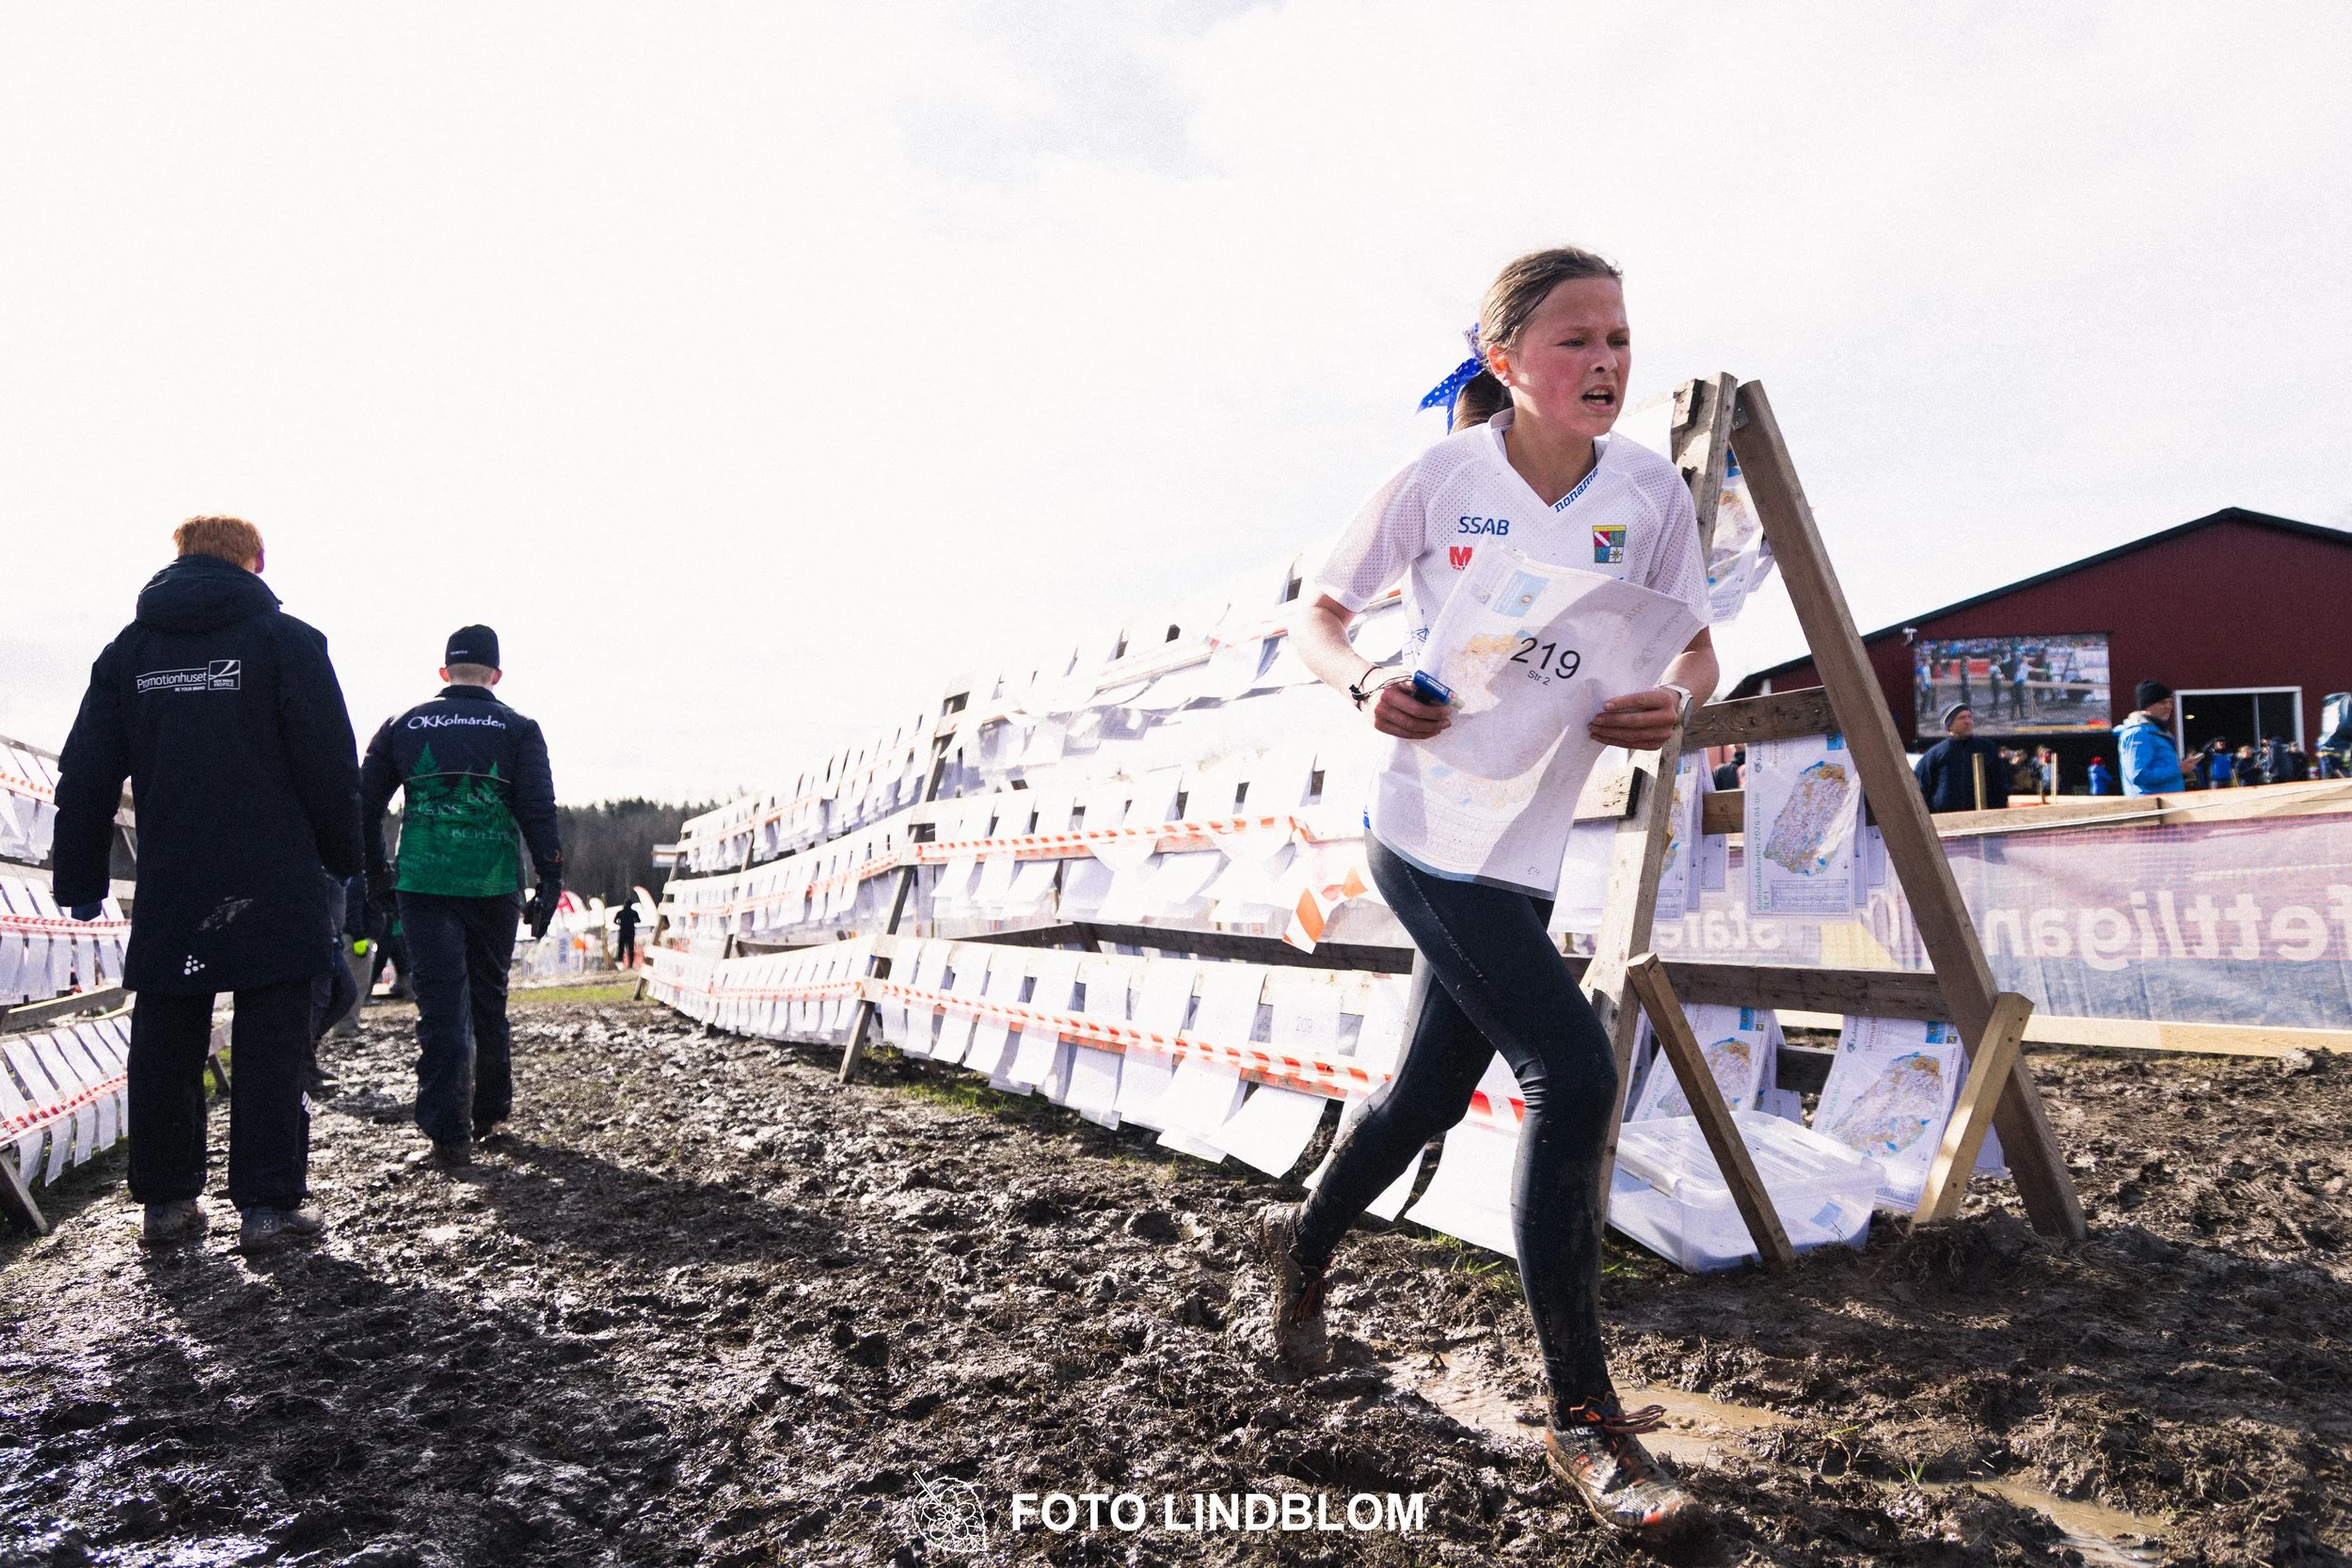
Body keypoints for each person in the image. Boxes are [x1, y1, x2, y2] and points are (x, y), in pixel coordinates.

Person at [1263, 247, 1719, 1544]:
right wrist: (1360, 682)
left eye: (1622, 337)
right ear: (1507, 359)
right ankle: (1585, 1417)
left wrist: (1677, 700)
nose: (1609, 361)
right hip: (1424, 825)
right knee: (1572, 1070)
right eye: (1577, 339)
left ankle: (1299, 1247)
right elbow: (1319, 610)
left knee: (1418, 1095)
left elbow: (1692, 642)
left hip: (1528, 843)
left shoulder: (1649, 493)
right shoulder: (1440, 476)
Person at [51, 516, 362, 1254]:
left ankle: (166, 1204)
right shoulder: (288, 642)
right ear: (258, 562)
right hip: (273, 873)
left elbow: (86, 772)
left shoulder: (130, 651)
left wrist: (79, 878)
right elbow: (330, 764)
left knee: (165, 1031)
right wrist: (345, 859)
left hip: (173, 877)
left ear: (180, 559)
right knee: (272, 1037)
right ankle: (267, 1207)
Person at [359, 626, 564, 1168]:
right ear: (496, 674)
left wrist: (376, 872)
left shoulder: (403, 723)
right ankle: (490, 1111)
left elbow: (362, 805)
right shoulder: (519, 727)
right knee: (487, 997)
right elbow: (538, 810)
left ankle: (447, 1132)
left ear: (444, 673)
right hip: (494, 880)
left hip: (423, 880)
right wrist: (550, 876)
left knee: (441, 1002)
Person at [1913, 704, 2009, 812]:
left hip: (1984, 817)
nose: (1968, 721)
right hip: (1946, 819)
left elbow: (2000, 783)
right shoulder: (1935, 754)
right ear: (1949, 725)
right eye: (1962, 718)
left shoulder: (1986, 747)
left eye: (1969, 717)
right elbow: (1921, 789)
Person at [2115, 681, 2185, 796]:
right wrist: (2178, 769)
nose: (2169, 707)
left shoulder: (2159, 732)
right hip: (2151, 806)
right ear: (2147, 705)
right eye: (2163, 702)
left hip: (2166, 805)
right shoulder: (2138, 734)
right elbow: (2138, 775)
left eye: (2170, 702)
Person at [612, 900, 641, 967]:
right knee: (630, 949)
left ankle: (620, 963)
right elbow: (638, 920)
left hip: (623, 932)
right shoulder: (633, 912)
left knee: (621, 948)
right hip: (630, 932)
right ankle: (630, 964)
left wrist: (620, 923)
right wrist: (632, 921)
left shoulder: (620, 913)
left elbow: (614, 921)